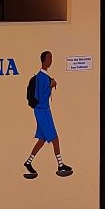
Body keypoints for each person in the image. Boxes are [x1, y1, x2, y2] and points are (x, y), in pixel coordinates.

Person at [25, 50, 72, 179]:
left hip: (45, 111)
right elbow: (41, 98)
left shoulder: (45, 77)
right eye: (49, 58)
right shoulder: (41, 77)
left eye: (52, 58)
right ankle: (60, 165)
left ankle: (28, 163)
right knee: (55, 139)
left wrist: (50, 85)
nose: (51, 60)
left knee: (41, 140)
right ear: (44, 60)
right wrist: (51, 86)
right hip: (42, 111)